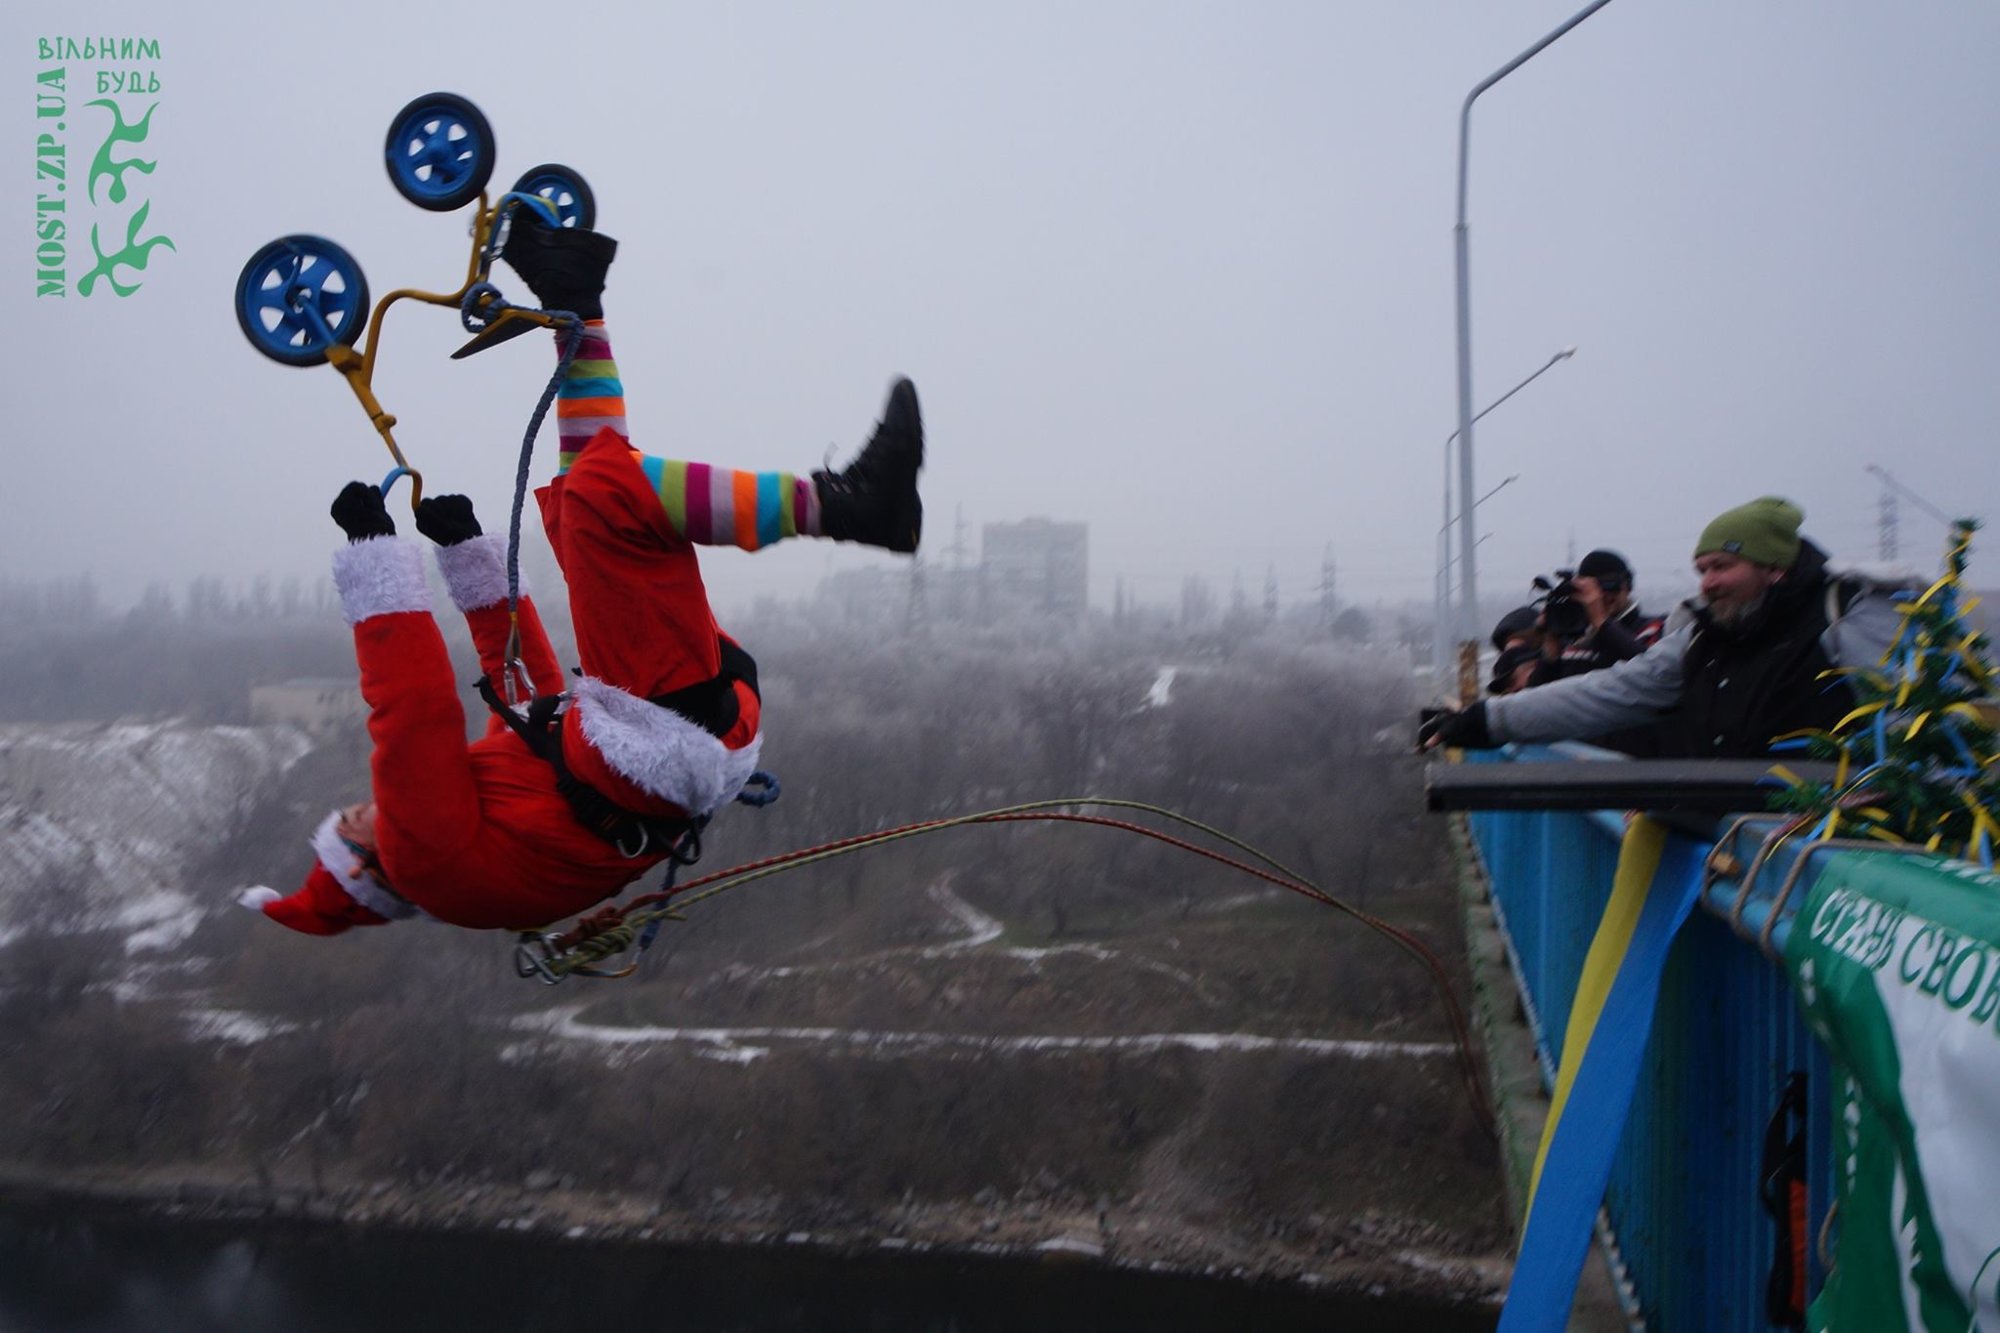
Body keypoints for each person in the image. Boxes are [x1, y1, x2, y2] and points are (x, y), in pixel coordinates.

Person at [241, 216, 924, 936]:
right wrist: (375, 558)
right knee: (606, 495)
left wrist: (469, 558)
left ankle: (576, 301)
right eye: (352, 823)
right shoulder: (418, 862)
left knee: (580, 504)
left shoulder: (472, 859)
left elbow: (528, 698)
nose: (364, 806)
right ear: (366, 870)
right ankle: (852, 506)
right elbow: (410, 716)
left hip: (682, 727)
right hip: (662, 739)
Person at [1422, 498, 1905, 759]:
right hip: (1728, 853)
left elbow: (1917, 727)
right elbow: (1611, 691)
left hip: (1826, 858)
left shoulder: (1848, 618)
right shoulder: (1705, 637)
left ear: (1773, 567)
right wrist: (1488, 721)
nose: (1708, 583)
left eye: (1722, 566)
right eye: (1701, 569)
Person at [1528, 549, 1664, 686]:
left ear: (1627, 587)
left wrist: (1602, 623)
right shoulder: (1573, 641)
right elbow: (1535, 697)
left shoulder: (1654, 628)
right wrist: (1551, 652)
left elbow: (1654, 672)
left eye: (1610, 586)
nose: (1602, 596)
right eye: (1591, 590)